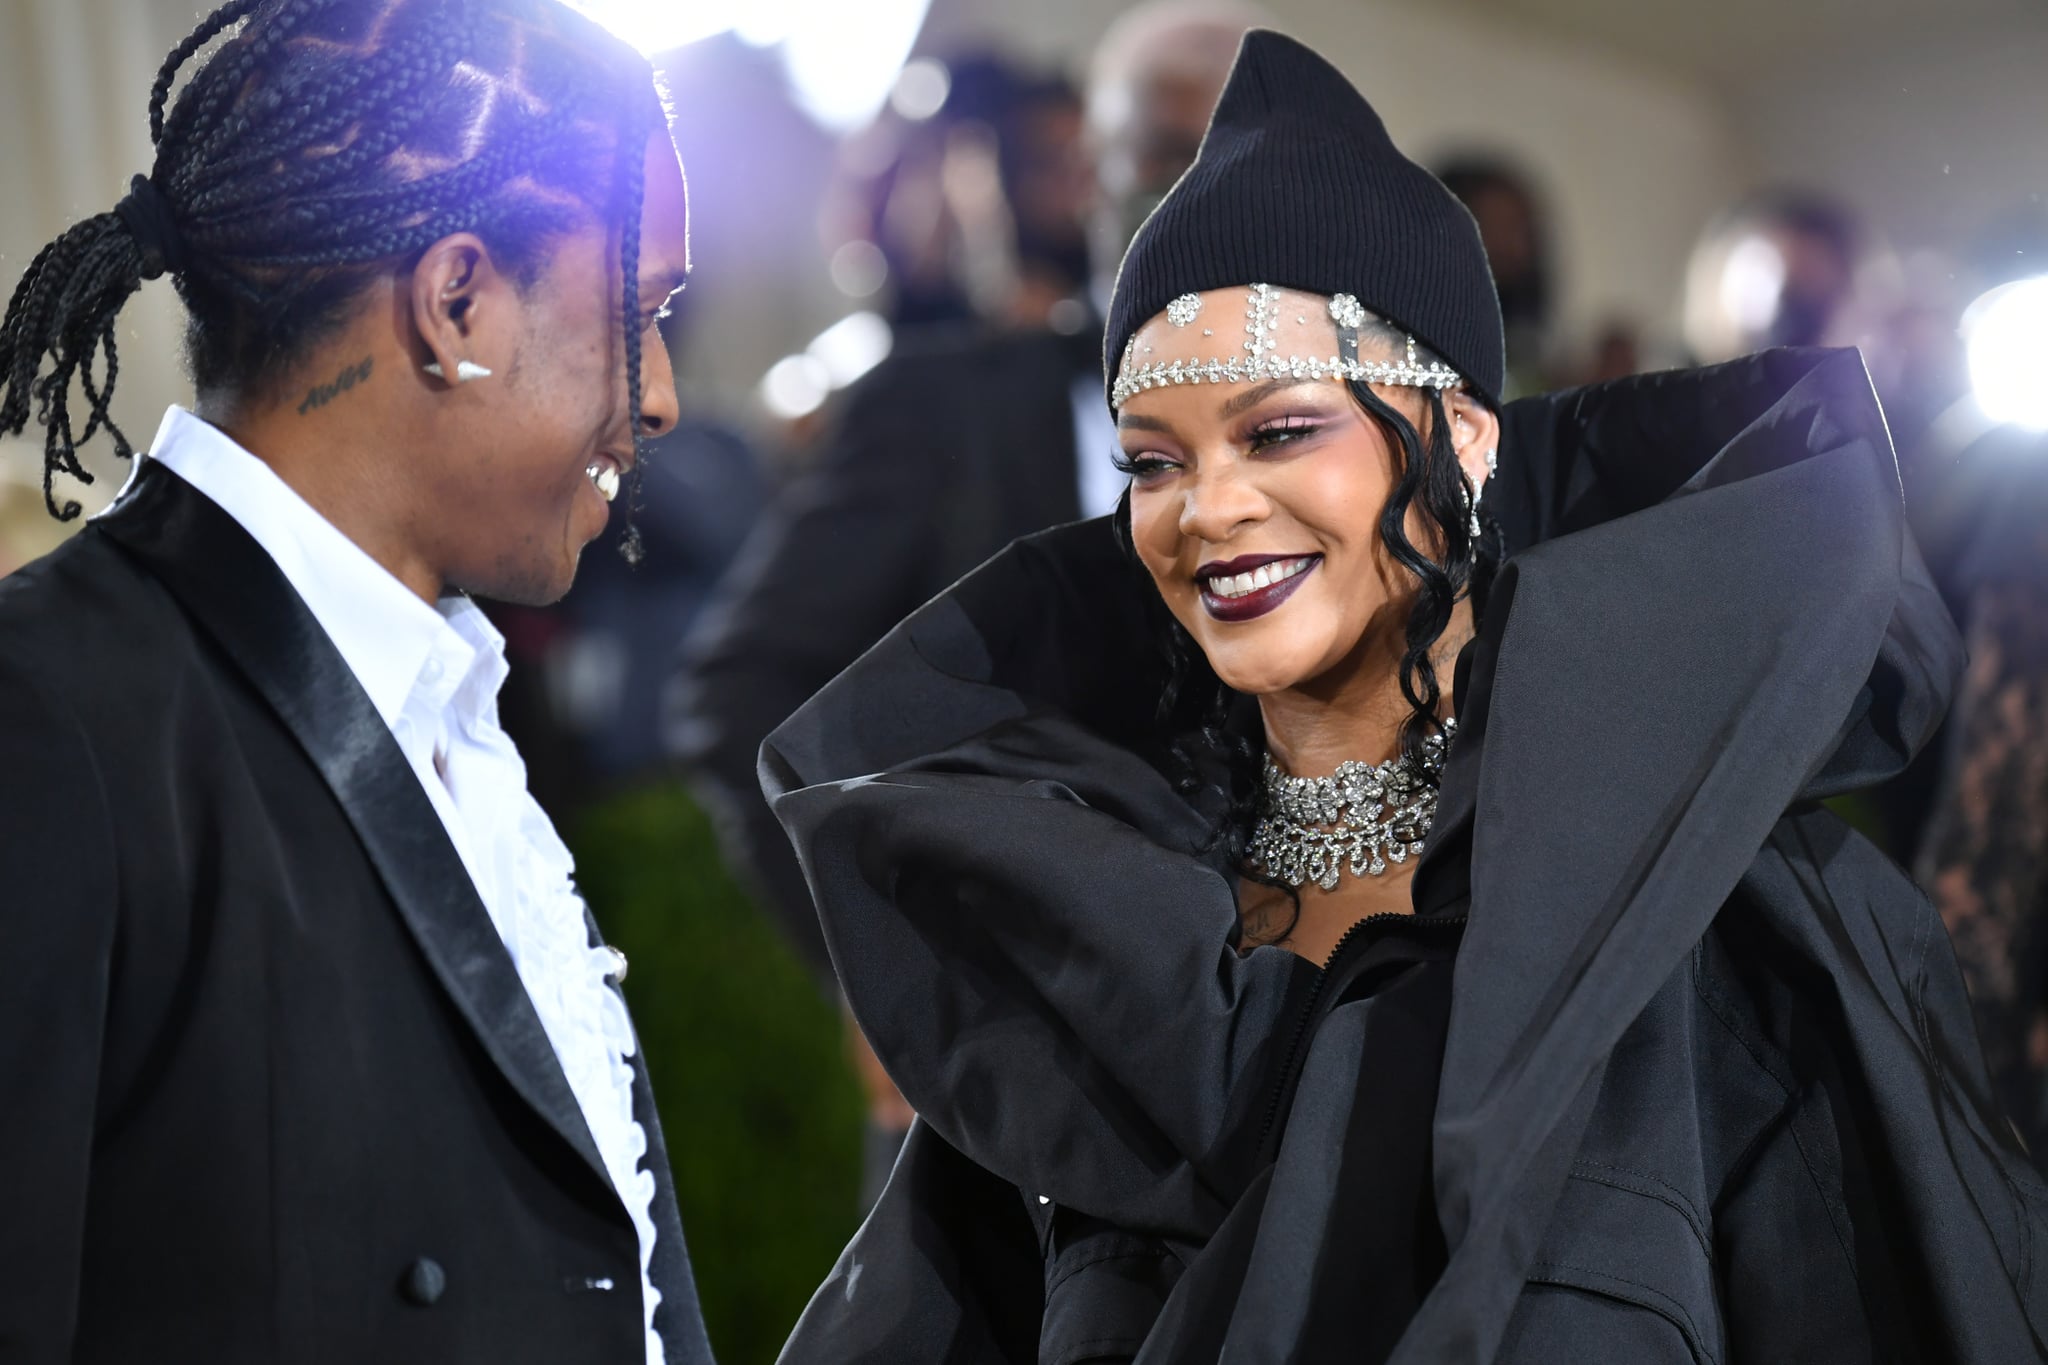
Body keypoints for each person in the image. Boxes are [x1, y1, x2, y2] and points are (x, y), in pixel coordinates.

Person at [763, 30, 2048, 1363]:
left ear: (1467, 435)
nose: (1208, 510)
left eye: (1281, 431)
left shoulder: (1702, 900)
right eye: (1154, 461)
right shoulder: (1080, 936)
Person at [0, 2, 711, 1361]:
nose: (663, 392)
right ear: (458, 305)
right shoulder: (49, 722)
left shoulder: (453, 720)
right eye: (637, 313)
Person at [669, 0, 1256, 1200]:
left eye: (1231, 153)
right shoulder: (946, 409)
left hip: (1260, 1116)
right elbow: (742, 693)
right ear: (1086, 187)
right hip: (991, 1125)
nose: (1192, 195)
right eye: (1154, 155)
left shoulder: (1365, 472)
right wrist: (877, 971)